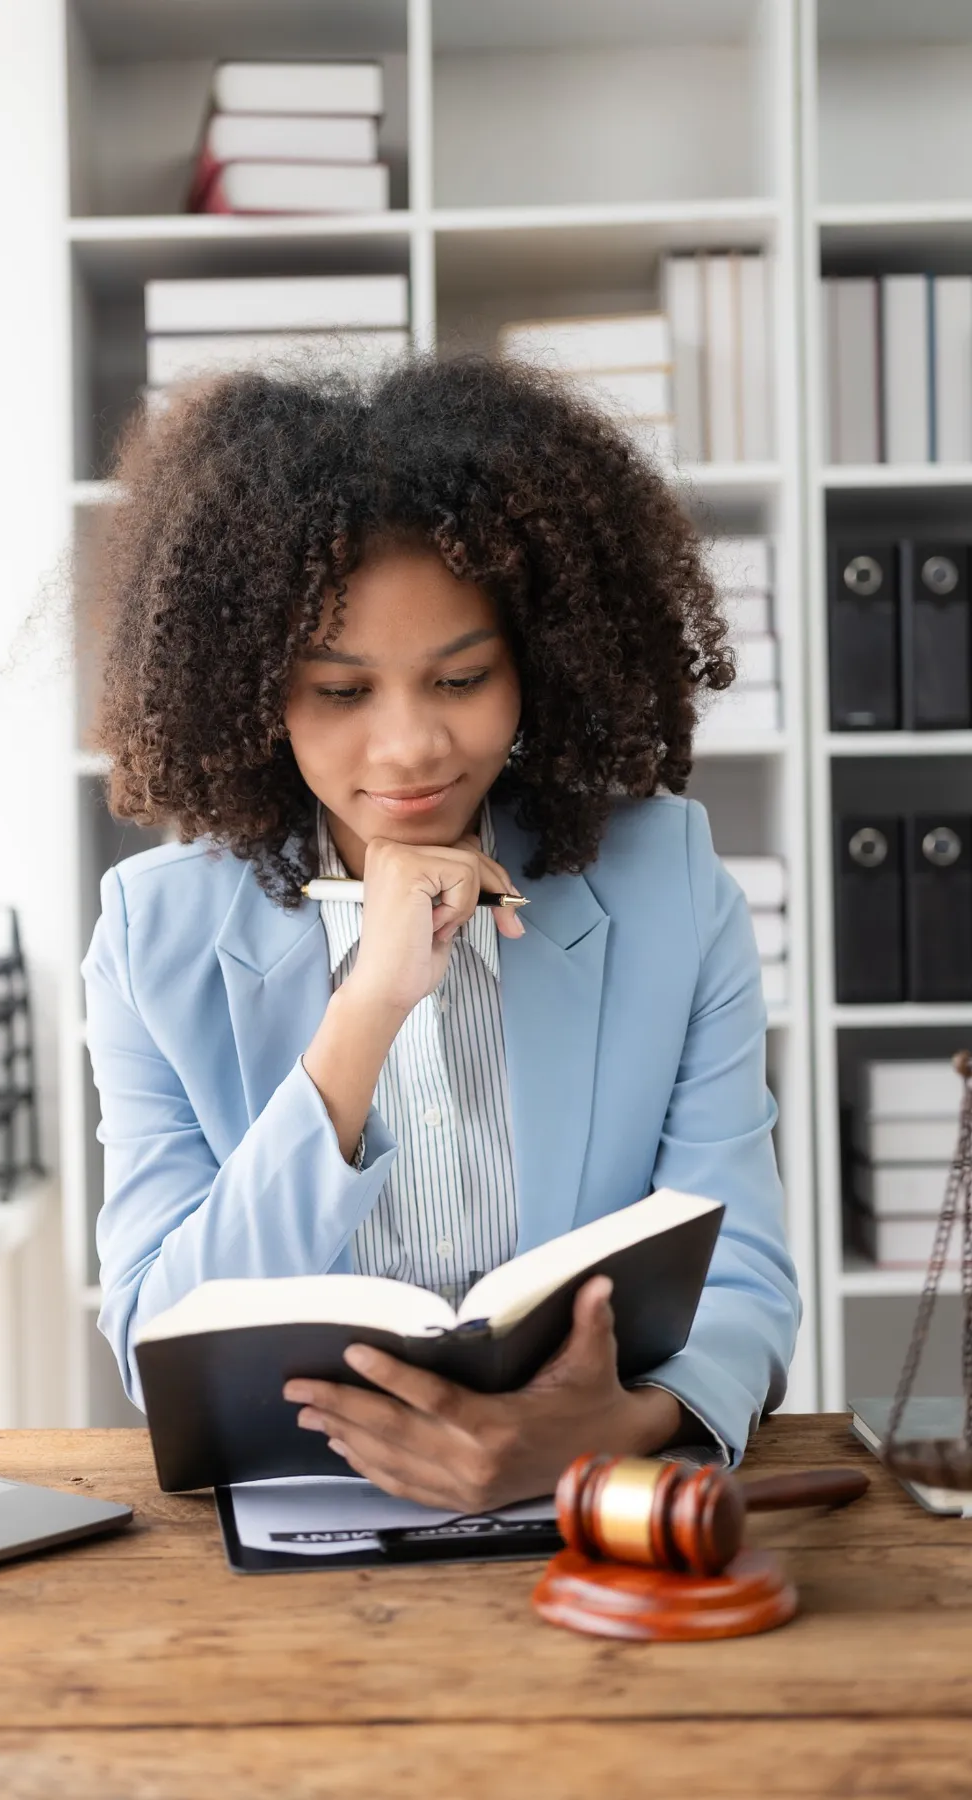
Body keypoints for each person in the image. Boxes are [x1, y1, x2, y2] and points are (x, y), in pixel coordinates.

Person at [82, 355, 800, 1512]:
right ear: (256, 694)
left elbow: (747, 1274)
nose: (410, 748)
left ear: (535, 667)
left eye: (460, 678)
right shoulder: (151, 937)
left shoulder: (670, 887)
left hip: (594, 1504)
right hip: (301, 1517)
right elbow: (156, 1338)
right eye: (343, 692)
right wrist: (366, 1009)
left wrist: (606, 1427)